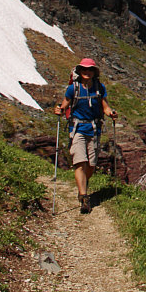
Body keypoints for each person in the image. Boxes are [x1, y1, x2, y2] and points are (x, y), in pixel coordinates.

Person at [54, 58, 117, 214]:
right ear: (80, 71)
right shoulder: (73, 89)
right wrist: (59, 110)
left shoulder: (99, 88)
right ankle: (83, 197)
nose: (87, 72)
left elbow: (105, 106)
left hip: (94, 129)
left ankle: (83, 184)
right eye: (84, 69)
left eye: (89, 69)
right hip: (78, 129)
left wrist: (111, 113)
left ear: (94, 72)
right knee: (80, 161)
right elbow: (64, 105)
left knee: (91, 165)